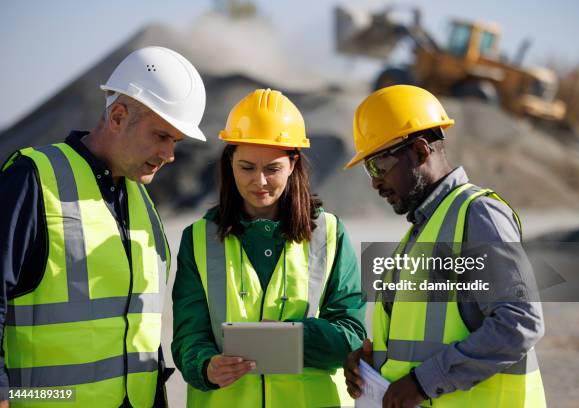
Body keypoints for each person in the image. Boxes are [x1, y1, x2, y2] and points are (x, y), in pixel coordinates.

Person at [0, 46, 207, 407]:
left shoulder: (141, 199)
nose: (170, 154)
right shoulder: (33, 179)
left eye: (176, 141)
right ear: (118, 116)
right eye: (161, 136)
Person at [343, 85, 546, 407]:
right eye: (369, 169)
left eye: (378, 166)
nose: (375, 182)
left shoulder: (477, 215)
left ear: (421, 151)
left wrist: (423, 383)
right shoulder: (423, 230)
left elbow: (519, 323)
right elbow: (422, 336)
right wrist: (372, 361)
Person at [172, 88, 366, 407]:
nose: (259, 181)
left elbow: (351, 334)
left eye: (272, 169)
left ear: (292, 164)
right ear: (229, 162)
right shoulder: (197, 239)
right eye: (247, 167)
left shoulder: (329, 234)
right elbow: (188, 334)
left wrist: (293, 338)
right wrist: (205, 366)